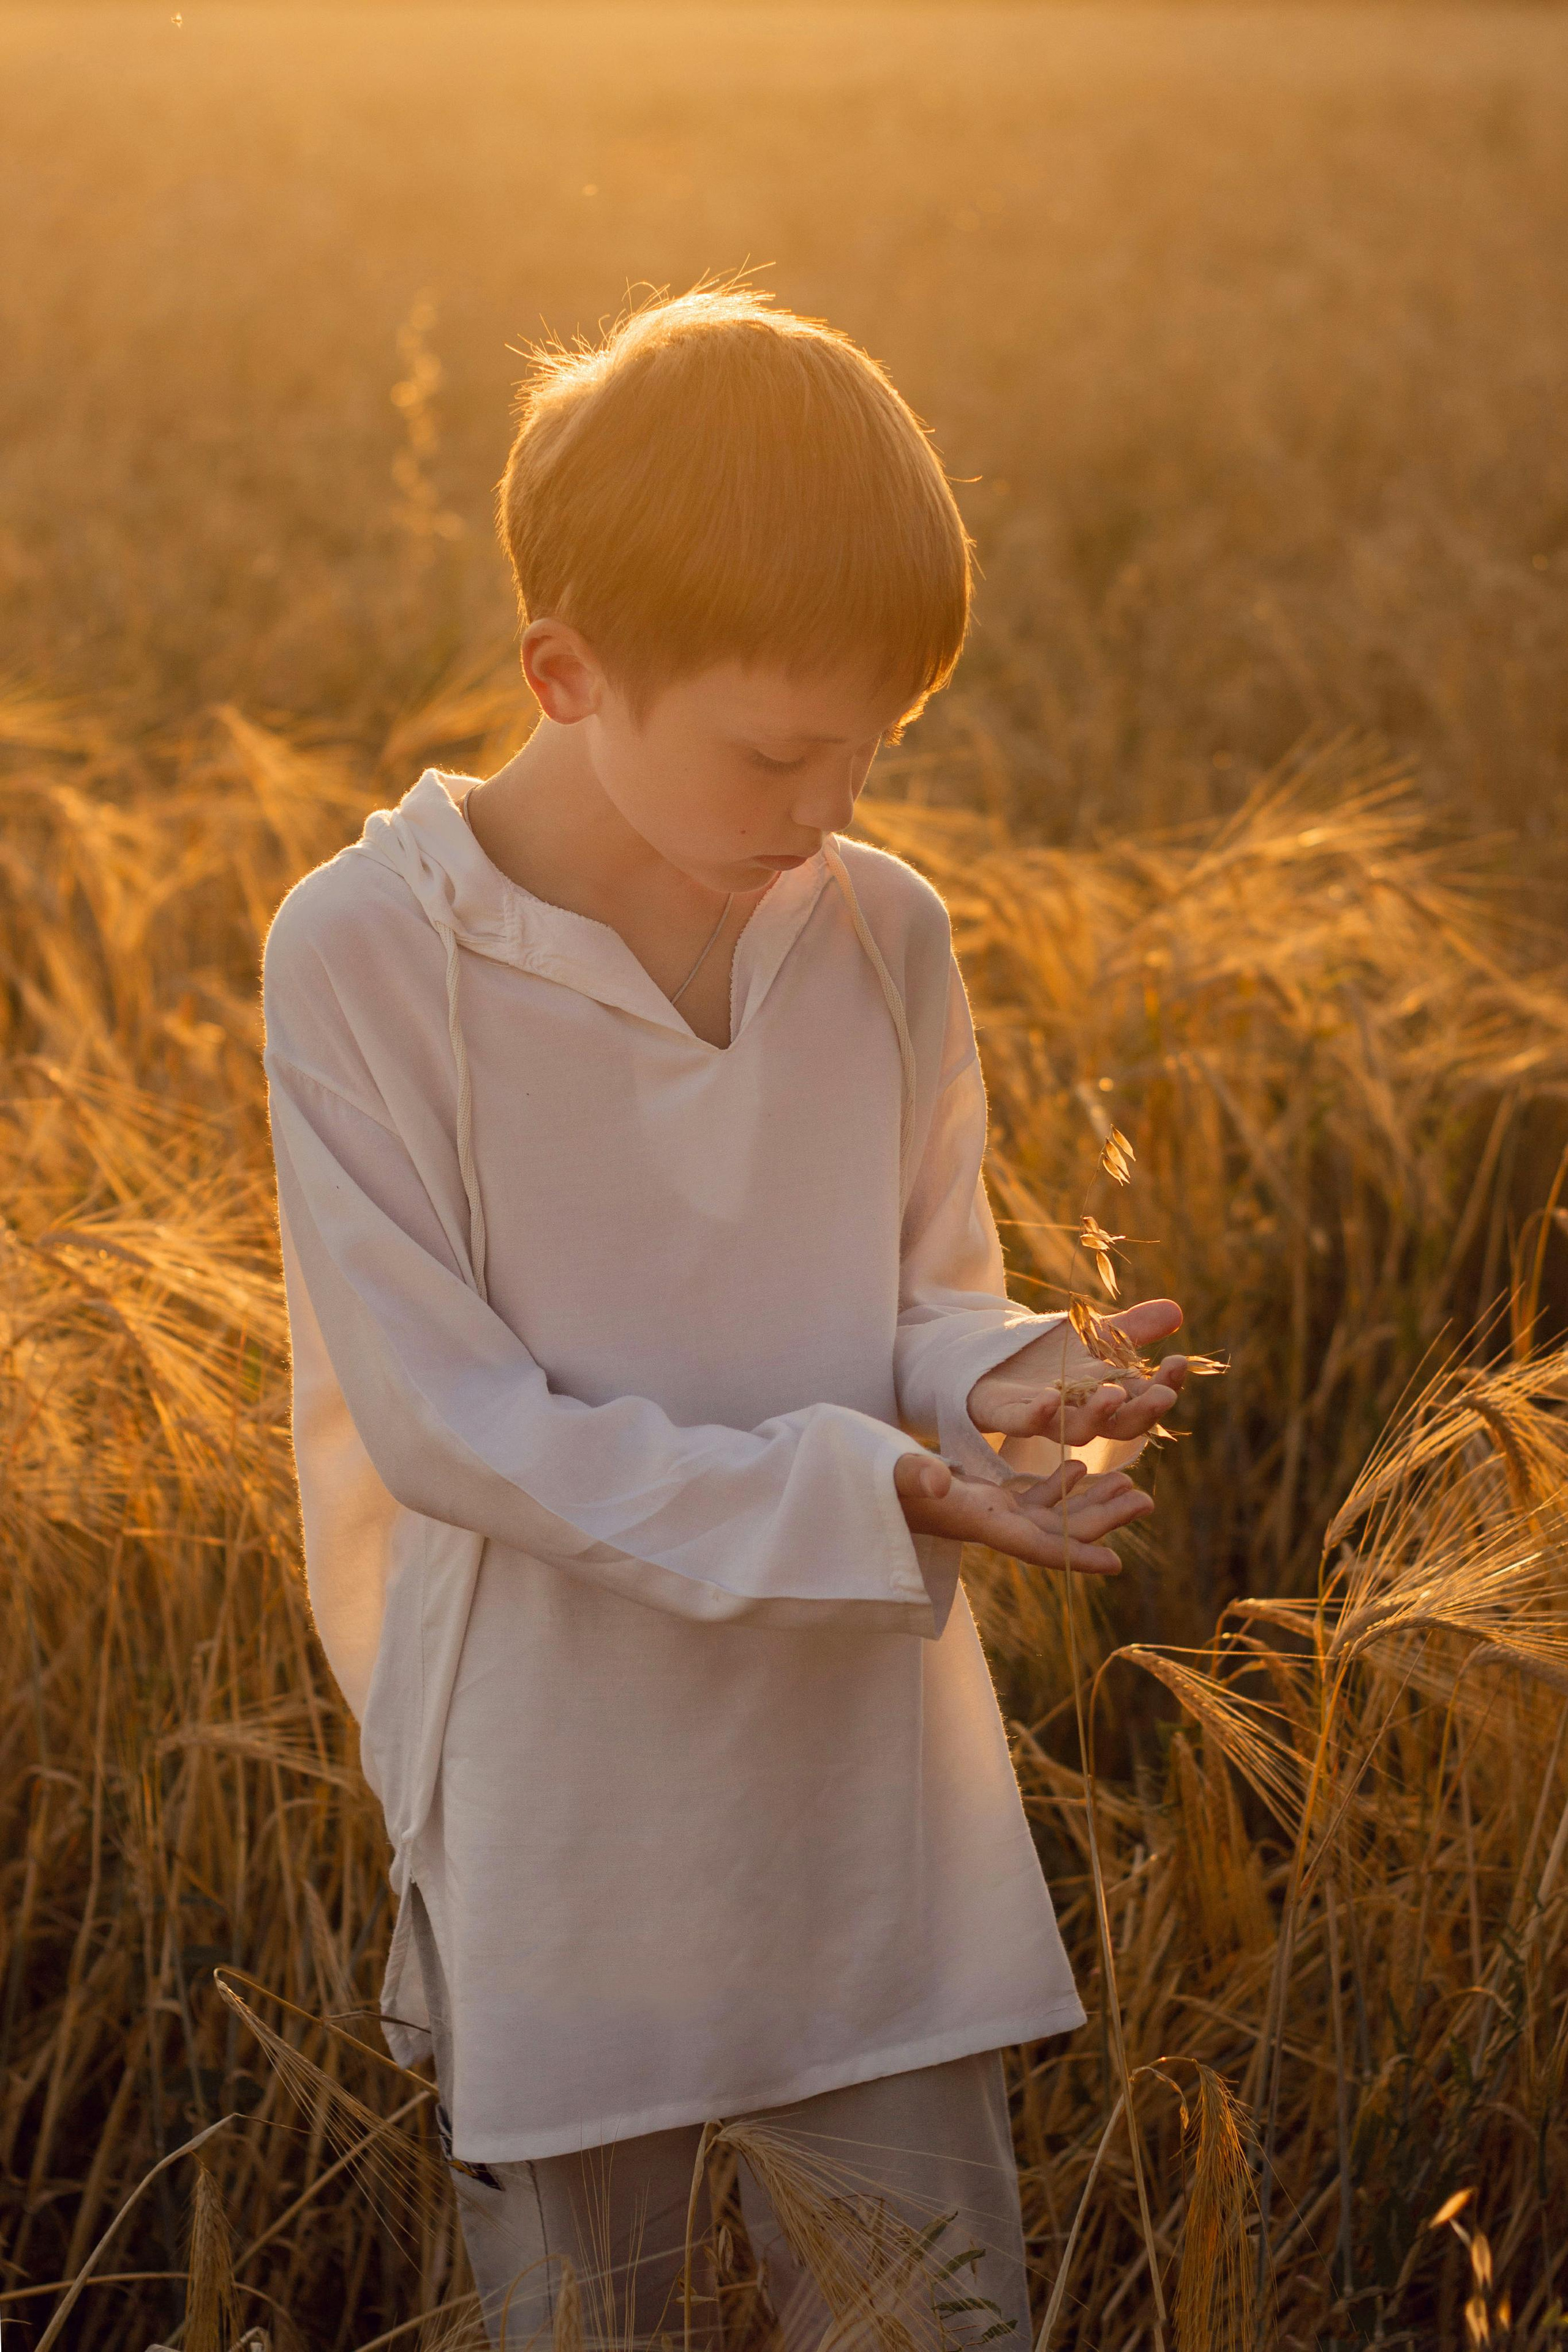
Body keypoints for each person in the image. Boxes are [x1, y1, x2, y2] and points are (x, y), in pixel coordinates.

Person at [262, 284, 1189, 2350]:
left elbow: (916, 1295)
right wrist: (887, 1496)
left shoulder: (883, 928)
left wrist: (1013, 1374)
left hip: (856, 1762)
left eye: (875, 747)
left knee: (929, 2316)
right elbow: (450, 1425)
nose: (833, 804)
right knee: (599, 2318)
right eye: (781, 751)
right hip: (558, 1781)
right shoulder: (365, 955)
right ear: (565, 672)